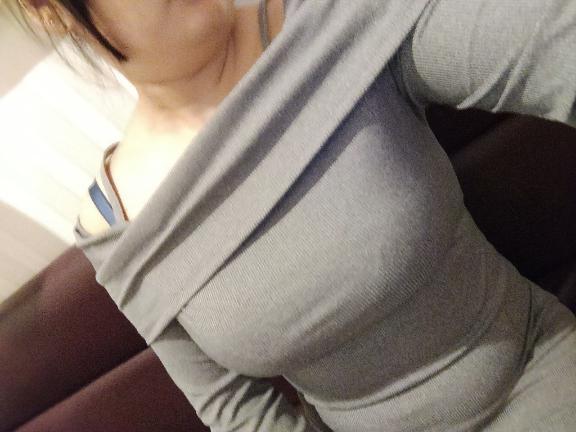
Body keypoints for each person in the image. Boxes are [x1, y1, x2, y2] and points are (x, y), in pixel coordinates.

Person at [12, 0, 576, 431]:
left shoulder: (326, 17)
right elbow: (235, 411)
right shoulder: (114, 226)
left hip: (536, 378)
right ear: (50, 11)